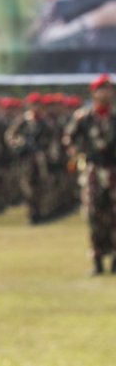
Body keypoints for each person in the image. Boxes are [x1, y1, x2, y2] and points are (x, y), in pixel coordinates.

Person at [63, 74, 116, 275]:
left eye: (109, 89)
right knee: (94, 214)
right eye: (101, 89)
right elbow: (69, 139)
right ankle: (98, 259)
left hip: (114, 170)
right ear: (94, 93)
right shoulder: (84, 117)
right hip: (94, 170)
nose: (106, 93)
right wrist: (78, 157)